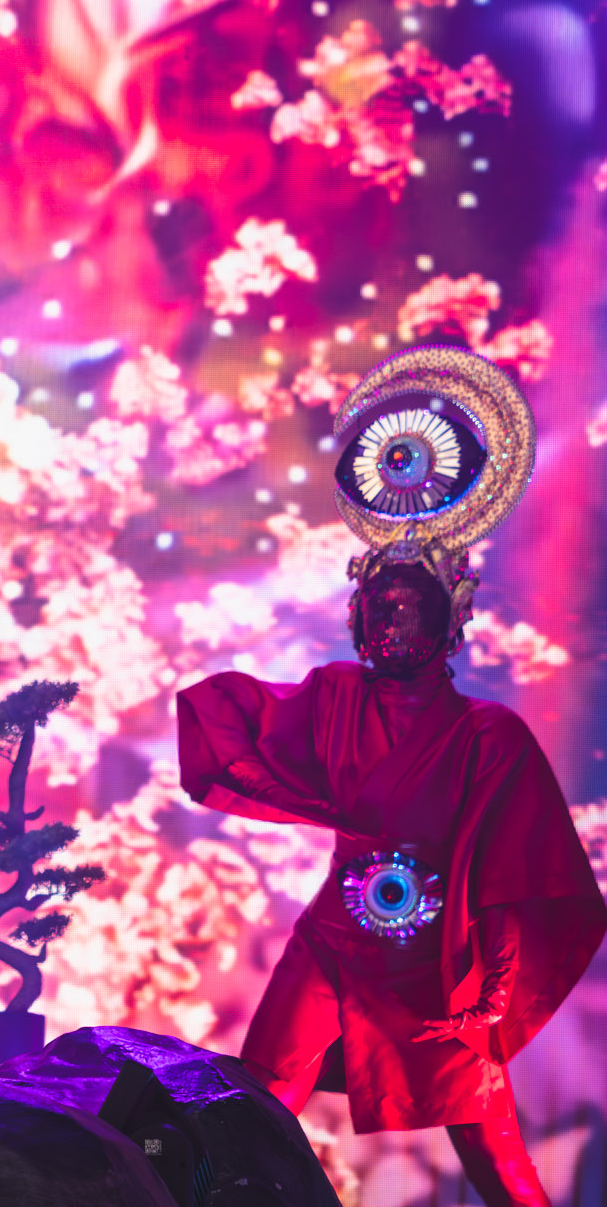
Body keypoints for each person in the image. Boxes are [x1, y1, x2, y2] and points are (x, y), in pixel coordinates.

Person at [177, 347, 605, 1207]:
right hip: (337, 934)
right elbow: (235, 720)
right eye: (380, 609)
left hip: (440, 958)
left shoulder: (489, 735)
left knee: (490, 1144)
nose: (393, 626)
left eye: (413, 611)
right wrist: (299, 792)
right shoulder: (336, 695)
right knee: (256, 1099)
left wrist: (493, 990)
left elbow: (514, 873)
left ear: (454, 619)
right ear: (355, 613)